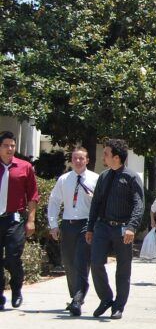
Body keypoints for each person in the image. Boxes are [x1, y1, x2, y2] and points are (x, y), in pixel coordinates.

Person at [86, 139, 144, 320]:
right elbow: (95, 203)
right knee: (95, 263)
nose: (104, 156)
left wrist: (131, 227)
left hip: (123, 229)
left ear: (116, 158)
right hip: (102, 226)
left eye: (106, 153)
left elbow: (139, 204)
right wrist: (90, 228)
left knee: (123, 269)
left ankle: (118, 306)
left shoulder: (131, 177)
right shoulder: (103, 176)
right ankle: (106, 298)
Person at [47, 147, 99, 315]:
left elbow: (100, 204)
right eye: (75, 158)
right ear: (71, 160)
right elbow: (54, 201)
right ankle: (75, 295)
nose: (78, 161)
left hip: (86, 224)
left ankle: (78, 299)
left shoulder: (95, 179)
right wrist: (53, 224)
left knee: (81, 261)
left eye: (81, 158)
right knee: (69, 262)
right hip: (68, 224)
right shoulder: (64, 179)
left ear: (87, 160)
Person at [0, 131, 39, 311]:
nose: (10, 149)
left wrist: (31, 220)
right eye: (6, 145)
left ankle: (16, 289)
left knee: (13, 257)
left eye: (12, 146)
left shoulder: (24, 167)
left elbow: (32, 195)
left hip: (14, 219)